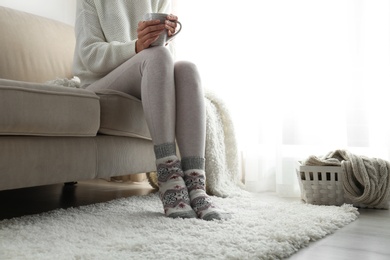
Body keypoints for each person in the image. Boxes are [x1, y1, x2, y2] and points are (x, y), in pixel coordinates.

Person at [73, 0, 226, 220]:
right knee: (158, 56)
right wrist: (136, 46)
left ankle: (195, 185)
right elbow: (90, 56)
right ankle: (169, 176)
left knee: (187, 69)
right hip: (100, 82)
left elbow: (163, 60)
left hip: (144, 77)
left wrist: (165, 39)